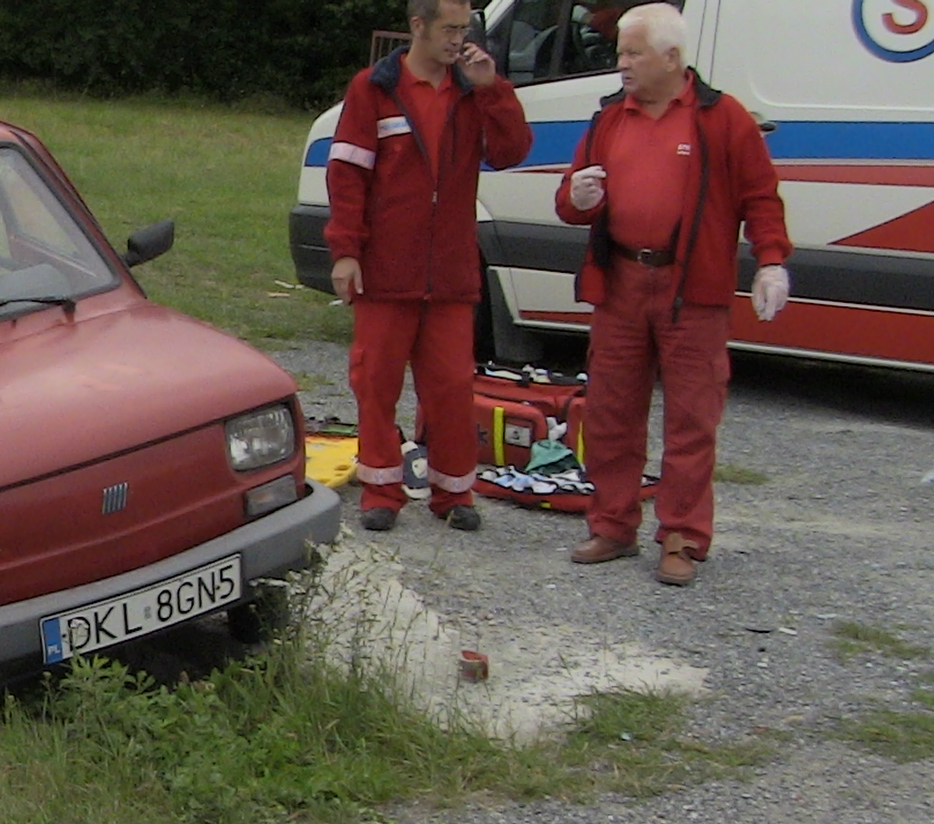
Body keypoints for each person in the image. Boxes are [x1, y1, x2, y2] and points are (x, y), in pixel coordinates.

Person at [554, 1, 790, 586]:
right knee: (610, 411)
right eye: (620, 52)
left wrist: (771, 263)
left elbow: (761, 198)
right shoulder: (610, 117)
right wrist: (575, 197)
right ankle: (612, 524)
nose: (622, 63)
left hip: (693, 291)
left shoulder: (723, 118)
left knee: (692, 418)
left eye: (632, 52)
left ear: (671, 58)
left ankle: (681, 536)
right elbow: (569, 202)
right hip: (622, 285)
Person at [326, 0, 533, 533]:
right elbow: (348, 175)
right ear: (417, 26)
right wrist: (346, 251)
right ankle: (380, 490)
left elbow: (512, 151)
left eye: (464, 29)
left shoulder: (471, 90)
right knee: (376, 381)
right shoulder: (373, 87)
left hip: (450, 271)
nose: (458, 40)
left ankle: (454, 492)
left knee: (451, 386)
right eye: (449, 29)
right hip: (386, 268)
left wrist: (493, 88)